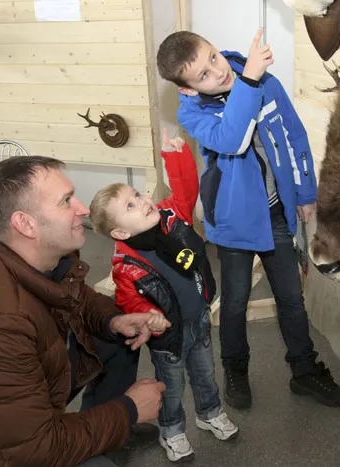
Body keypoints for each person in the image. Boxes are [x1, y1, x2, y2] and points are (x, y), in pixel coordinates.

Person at [0, 155, 166, 467]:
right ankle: (102, 441)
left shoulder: (33, 248)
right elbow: (37, 449)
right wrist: (129, 409)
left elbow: (72, 294)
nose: (83, 209)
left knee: (118, 339)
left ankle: (105, 436)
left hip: (21, 397)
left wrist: (113, 320)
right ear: (25, 223)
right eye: (66, 201)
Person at [155, 29, 340, 409]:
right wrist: (248, 80)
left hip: (276, 211)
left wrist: (306, 192)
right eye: (203, 75)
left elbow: (294, 136)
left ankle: (305, 370)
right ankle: (236, 369)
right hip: (233, 221)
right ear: (190, 90)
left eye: (213, 58)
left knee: (292, 297)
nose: (217, 71)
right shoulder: (192, 111)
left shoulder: (257, 76)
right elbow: (233, 140)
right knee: (235, 300)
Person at [89, 129, 238, 463]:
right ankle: (172, 431)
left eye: (138, 194)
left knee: (205, 373)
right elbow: (130, 302)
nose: (143, 201)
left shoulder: (172, 218)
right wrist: (148, 315)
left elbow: (185, 189)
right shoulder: (125, 266)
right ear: (121, 232)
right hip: (168, 336)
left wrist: (177, 154)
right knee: (170, 387)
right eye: (130, 204)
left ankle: (209, 412)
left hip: (199, 319)